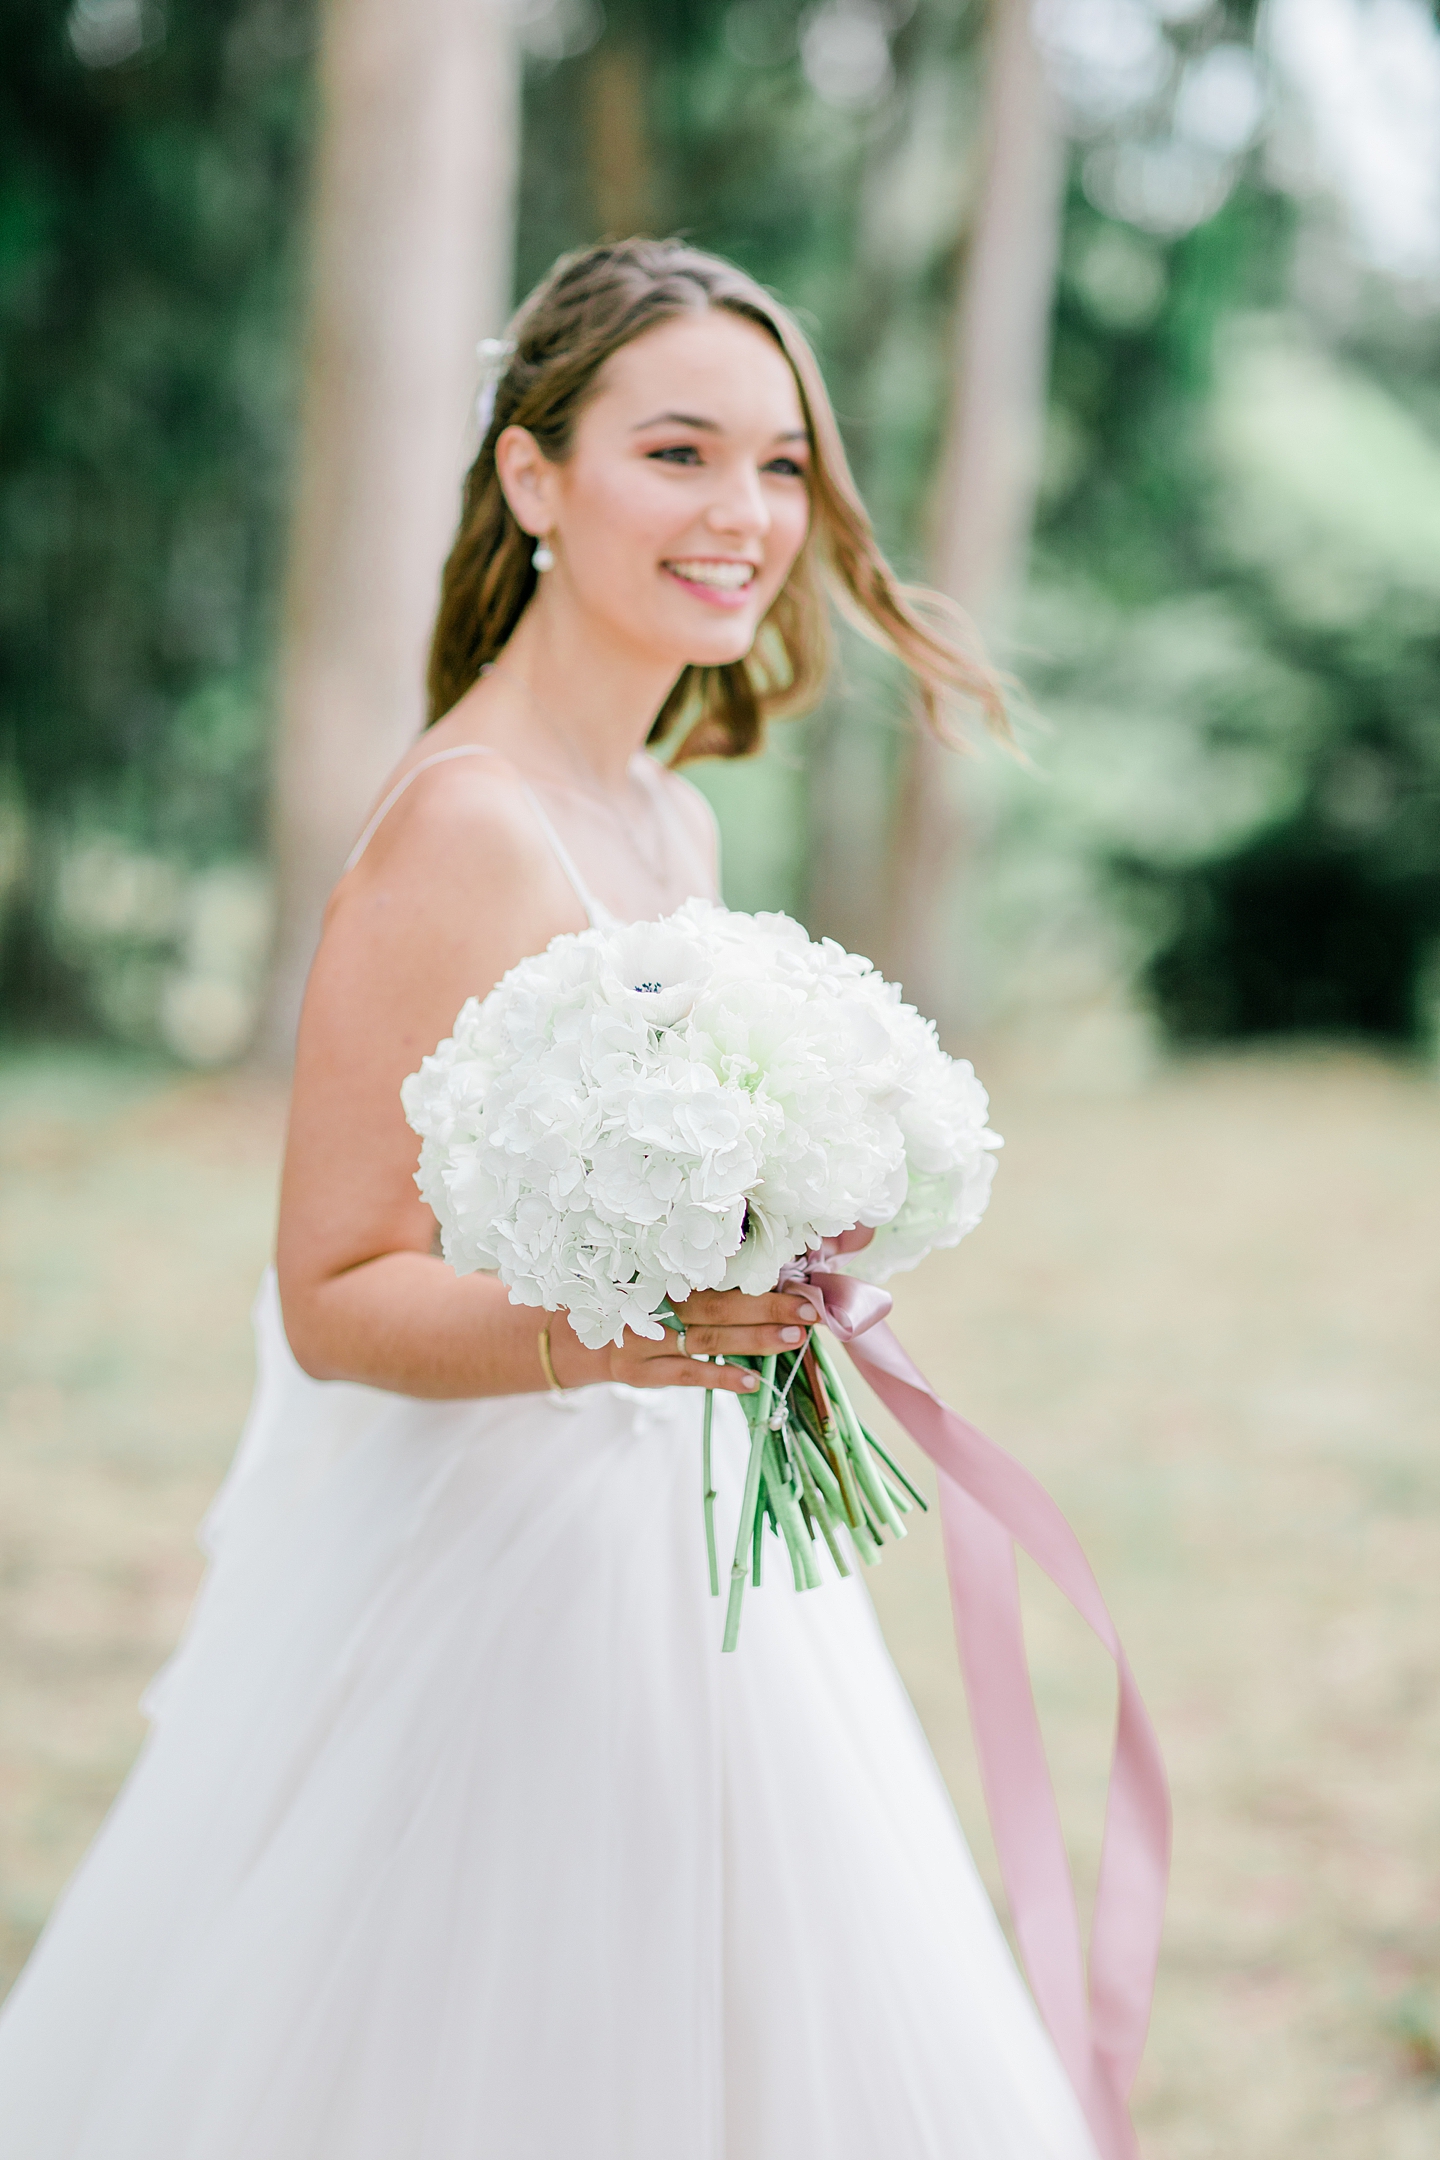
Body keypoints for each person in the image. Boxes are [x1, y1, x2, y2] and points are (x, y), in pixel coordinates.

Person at [0, 239, 1098, 2160]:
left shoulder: (668, 811)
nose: (744, 515)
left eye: (780, 467)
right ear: (535, 478)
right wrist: (634, 1325)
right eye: (678, 452)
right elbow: (336, 1290)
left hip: (702, 1552)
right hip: (511, 1581)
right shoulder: (463, 826)